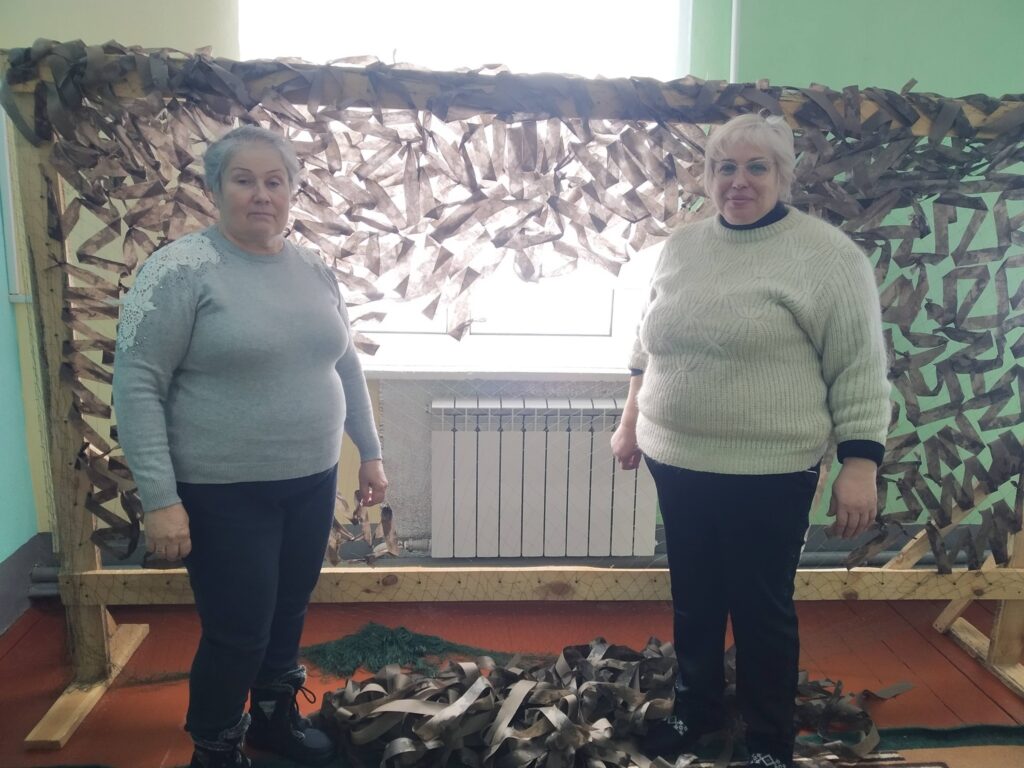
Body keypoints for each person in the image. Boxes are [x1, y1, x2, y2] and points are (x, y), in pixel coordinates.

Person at [611, 113, 890, 768]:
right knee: (696, 599)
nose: (739, 181)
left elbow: (858, 366)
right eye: (725, 167)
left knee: (761, 610)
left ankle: (768, 741)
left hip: (771, 471)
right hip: (676, 460)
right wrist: (629, 421)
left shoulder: (827, 256)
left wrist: (860, 463)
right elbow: (647, 344)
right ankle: (696, 712)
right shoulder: (681, 248)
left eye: (756, 167)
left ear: (783, 175)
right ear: (708, 176)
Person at [113, 125, 388, 768]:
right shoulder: (178, 271)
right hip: (221, 491)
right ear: (215, 189)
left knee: (288, 612)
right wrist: (160, 499)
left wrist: (370, 452)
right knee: (238, 631)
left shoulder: (313, 267)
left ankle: (271, 721)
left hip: (312, 480)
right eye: (244, 180)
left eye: (274, 181)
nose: (261, 194)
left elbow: (345, 364)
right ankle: (214, 746)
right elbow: (137, 384)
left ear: (292, 191)